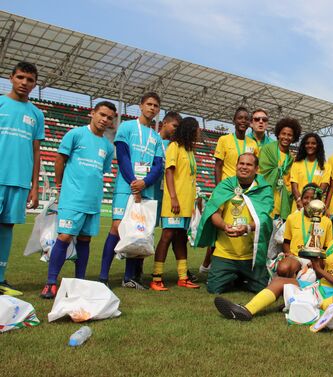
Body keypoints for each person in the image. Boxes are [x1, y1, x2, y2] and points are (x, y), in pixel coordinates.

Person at [213, 204, 333, 321]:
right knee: (278, 281)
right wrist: (315, 264)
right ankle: (246, 310)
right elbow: (320, 274)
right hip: (320, 286)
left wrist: (320, 269)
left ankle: (303, 307)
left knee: (316, 302)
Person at [40, 102, 116, 298]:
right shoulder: (75, 134)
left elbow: (101, 171)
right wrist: (59, 186)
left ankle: (79, 282)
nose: (105, 119)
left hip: (93, 201)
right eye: (102, 114)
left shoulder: (108, 146)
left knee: (85, 240)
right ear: (92, 113)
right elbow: (59, 159)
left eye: (109, 117)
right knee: (64, 237)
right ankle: (50, 283)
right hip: (72, 198)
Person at [98, 92, 164, 289]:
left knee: (139, 232)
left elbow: (158, 165)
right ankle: (103, 277)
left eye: (156, 106)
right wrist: (134, 182)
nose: (152, 108)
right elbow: (123, 157)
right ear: (141, 105)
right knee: (117, 228)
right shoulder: (126, 127)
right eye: (149, 104)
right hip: (126, 187)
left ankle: (129, 278)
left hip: (146, 190)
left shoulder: (156, 137)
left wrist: (144, 183)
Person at [193, 153, 274, 294]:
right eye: (241, 163)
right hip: (225, 253)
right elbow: (214, 214)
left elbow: (265, 220)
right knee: (213, 289)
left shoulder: (264, 189)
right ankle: (234, 276)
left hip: (251, 255)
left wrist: (247, 228)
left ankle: (239, 277)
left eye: (248, 164)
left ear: (256, 169)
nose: (244, 167)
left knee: (261, 288)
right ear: (236, 166)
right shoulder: (225, 186)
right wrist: (224, 226)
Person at [0, 62, 45, 296]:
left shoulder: (36, 114)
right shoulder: (1, 103)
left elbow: (36, 151)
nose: (24, 83)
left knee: (7, 226)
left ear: (35, 84)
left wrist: (35, 187)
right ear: (11, 78)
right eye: (20, 77)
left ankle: (0, 279)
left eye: (29, 80)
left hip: (18, 181)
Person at [150, 117, 201, 291]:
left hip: (186, 203)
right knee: (167, 236)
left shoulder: (189, 150)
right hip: (175, 202)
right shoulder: (174, 147)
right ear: (189, 130)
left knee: (180, 238)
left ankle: (183, 277)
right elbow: (169, 173)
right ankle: (156, 278)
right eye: (196, 129)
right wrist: (173, 197)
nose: (199, 132)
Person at [259, 117, 302, 221]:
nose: (286, 137)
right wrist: (277, 171)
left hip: (282, 201)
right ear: (278, 134)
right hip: (265, 199)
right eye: (283, 133)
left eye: (289, 135)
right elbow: (261, 171)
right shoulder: (267, 149)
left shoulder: (291, 159)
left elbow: (289, 181)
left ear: (293, 138)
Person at [282, 183, 333, 258]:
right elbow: (286, 242)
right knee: (284, 268)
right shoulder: (292, 218)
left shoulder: (326, 222)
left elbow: (327, 247)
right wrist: (289, 254)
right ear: (301, 199)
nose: (309, 201)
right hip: (295, 258)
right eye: (306, 197)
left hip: (316, 259)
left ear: (318, 201)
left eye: (313, 198)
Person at [214, 106, 258, 184]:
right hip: (227, 186)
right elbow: (218, 166)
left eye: (246, 119)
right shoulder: (224, 140)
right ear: (234, 121)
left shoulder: (253, 144)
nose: (243, 121)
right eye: (240, 118)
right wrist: (218, 189)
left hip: (246, 187)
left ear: (249, 123)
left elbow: (255, 168)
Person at [290, 133, 331, 210]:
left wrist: (312, 204)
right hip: (298, 206)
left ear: (318, 146)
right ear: (303, 145)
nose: (310, 145)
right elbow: (294, 188)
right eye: (307, 143)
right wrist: (300, 202)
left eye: (313, 143)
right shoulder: (296, 164)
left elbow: (322, 189)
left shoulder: (326, 166)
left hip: (316, 206)